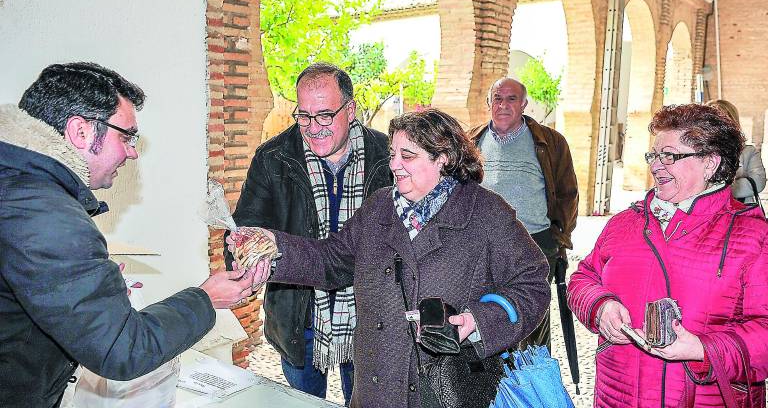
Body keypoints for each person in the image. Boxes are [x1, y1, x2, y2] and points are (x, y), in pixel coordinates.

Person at [233, 109, 551, 407]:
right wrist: (272, 247)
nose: (394, 165)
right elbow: (330, 260)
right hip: (376, 389)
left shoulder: (486, 212)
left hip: (446, 389)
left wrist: (477, 322)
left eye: (407, 156)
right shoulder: (379, 207)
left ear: (443, 158)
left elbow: (532, 282)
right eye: (393, 154)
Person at [0, 62, 258, 408]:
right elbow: (123, 348)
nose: (132, 152)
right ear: (80, 132)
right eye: (126, 136)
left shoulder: (19, 188)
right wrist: (206, 298)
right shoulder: (46, 213)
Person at [568, 104, 768, 407]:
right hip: (617, 395)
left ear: (710, 163)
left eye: (670, 156)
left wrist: (701, 348)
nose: (656, 166)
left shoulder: (754, 236)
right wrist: (600, 307)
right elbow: (583, 278)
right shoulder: (624, 223)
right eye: (653, 155)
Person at [224, 62, 392, 405]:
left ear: (351, 109)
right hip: (297, 314)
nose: (313, 128)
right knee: (302, 401)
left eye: (326, 115)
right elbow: (247, 227)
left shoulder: (387, 156)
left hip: (368, 315)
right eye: (304, 116)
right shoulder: (273, 158)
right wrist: (243, 256)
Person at [467, 77, 578, 350]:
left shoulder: (550, 143)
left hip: (535, 243)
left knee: (531, 321)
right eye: (497, 98)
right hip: (483, 246)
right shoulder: (471, 141)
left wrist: (557, 240)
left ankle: (531, 385)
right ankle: (489, 386)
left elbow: (568, 194)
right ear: (489, 103)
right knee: (487, 316)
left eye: (512, 99)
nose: (503, 105)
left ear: (524, 104)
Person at [705, 99, 766, 204]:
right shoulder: (699, 151)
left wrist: (716, 189)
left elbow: (758, 182)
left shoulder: (748, 152)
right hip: (706, 212)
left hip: (740, 211)